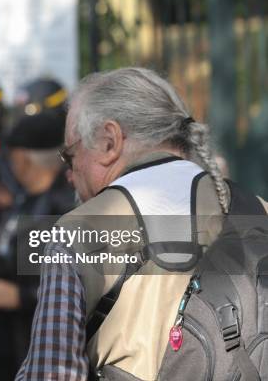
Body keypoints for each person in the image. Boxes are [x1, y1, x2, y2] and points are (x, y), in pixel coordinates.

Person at [16, 67, 268, 380]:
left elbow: (49, 374)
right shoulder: (259, 209)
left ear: (110, 141)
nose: (69, 173)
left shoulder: (80, 230)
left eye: (70, 155)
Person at [0, 111, 76, 380]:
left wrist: (20, 298)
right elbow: (15, 257)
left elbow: (80, 283)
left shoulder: (66, 210)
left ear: (23, 159)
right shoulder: (23, 200)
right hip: (0, 344)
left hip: (34, 353)